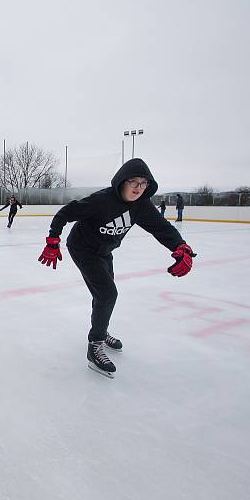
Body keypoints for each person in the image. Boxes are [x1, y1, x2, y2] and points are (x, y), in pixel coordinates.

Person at [38, 158, 196, 378]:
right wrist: (52, 240)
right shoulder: (102, 200)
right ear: (122, 181)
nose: (138, 188)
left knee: (103, 295)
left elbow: (162, 228)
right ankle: (95, 345)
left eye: (143, 183)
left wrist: (180, 246)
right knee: (107, 293)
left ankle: (101, 331)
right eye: (133, 181)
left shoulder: (142, 206)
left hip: (104, 252)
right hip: (83, 248)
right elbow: (65, 213)